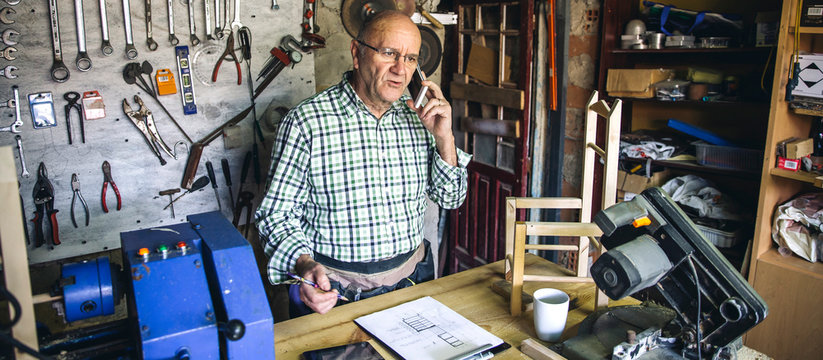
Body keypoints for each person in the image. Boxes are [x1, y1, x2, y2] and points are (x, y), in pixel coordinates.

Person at [255, 10, 471, 316]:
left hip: (411, 284)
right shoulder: (306, 122)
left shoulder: (421, 121)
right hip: (335, 294)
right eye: (389, 53)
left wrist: (445, 139)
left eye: (411, 58)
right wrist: (304, 263)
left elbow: (451, 198)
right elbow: (276, 215)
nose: (400, 69)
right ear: (357, 53)